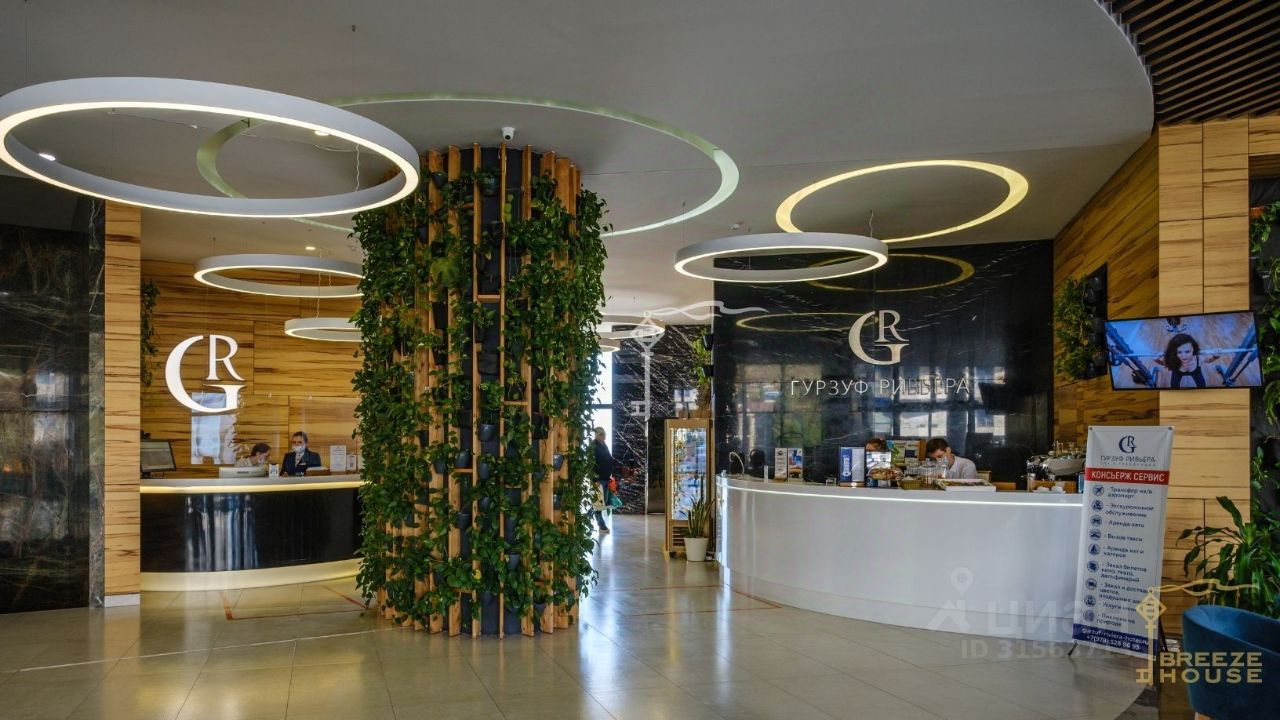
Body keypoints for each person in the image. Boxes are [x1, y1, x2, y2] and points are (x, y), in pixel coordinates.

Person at [590, 427, 616, 534]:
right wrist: (594, 479)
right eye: (601, 434)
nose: (604, 436)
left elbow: (608, 459)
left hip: (605, 478)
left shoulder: (604, 445)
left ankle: (589, 514)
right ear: (596, 435)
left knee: (602, 503)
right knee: (598, 504)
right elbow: (591, 464)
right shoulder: (593, 446)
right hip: (598, 480)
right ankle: (602, 526)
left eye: (604, 434)